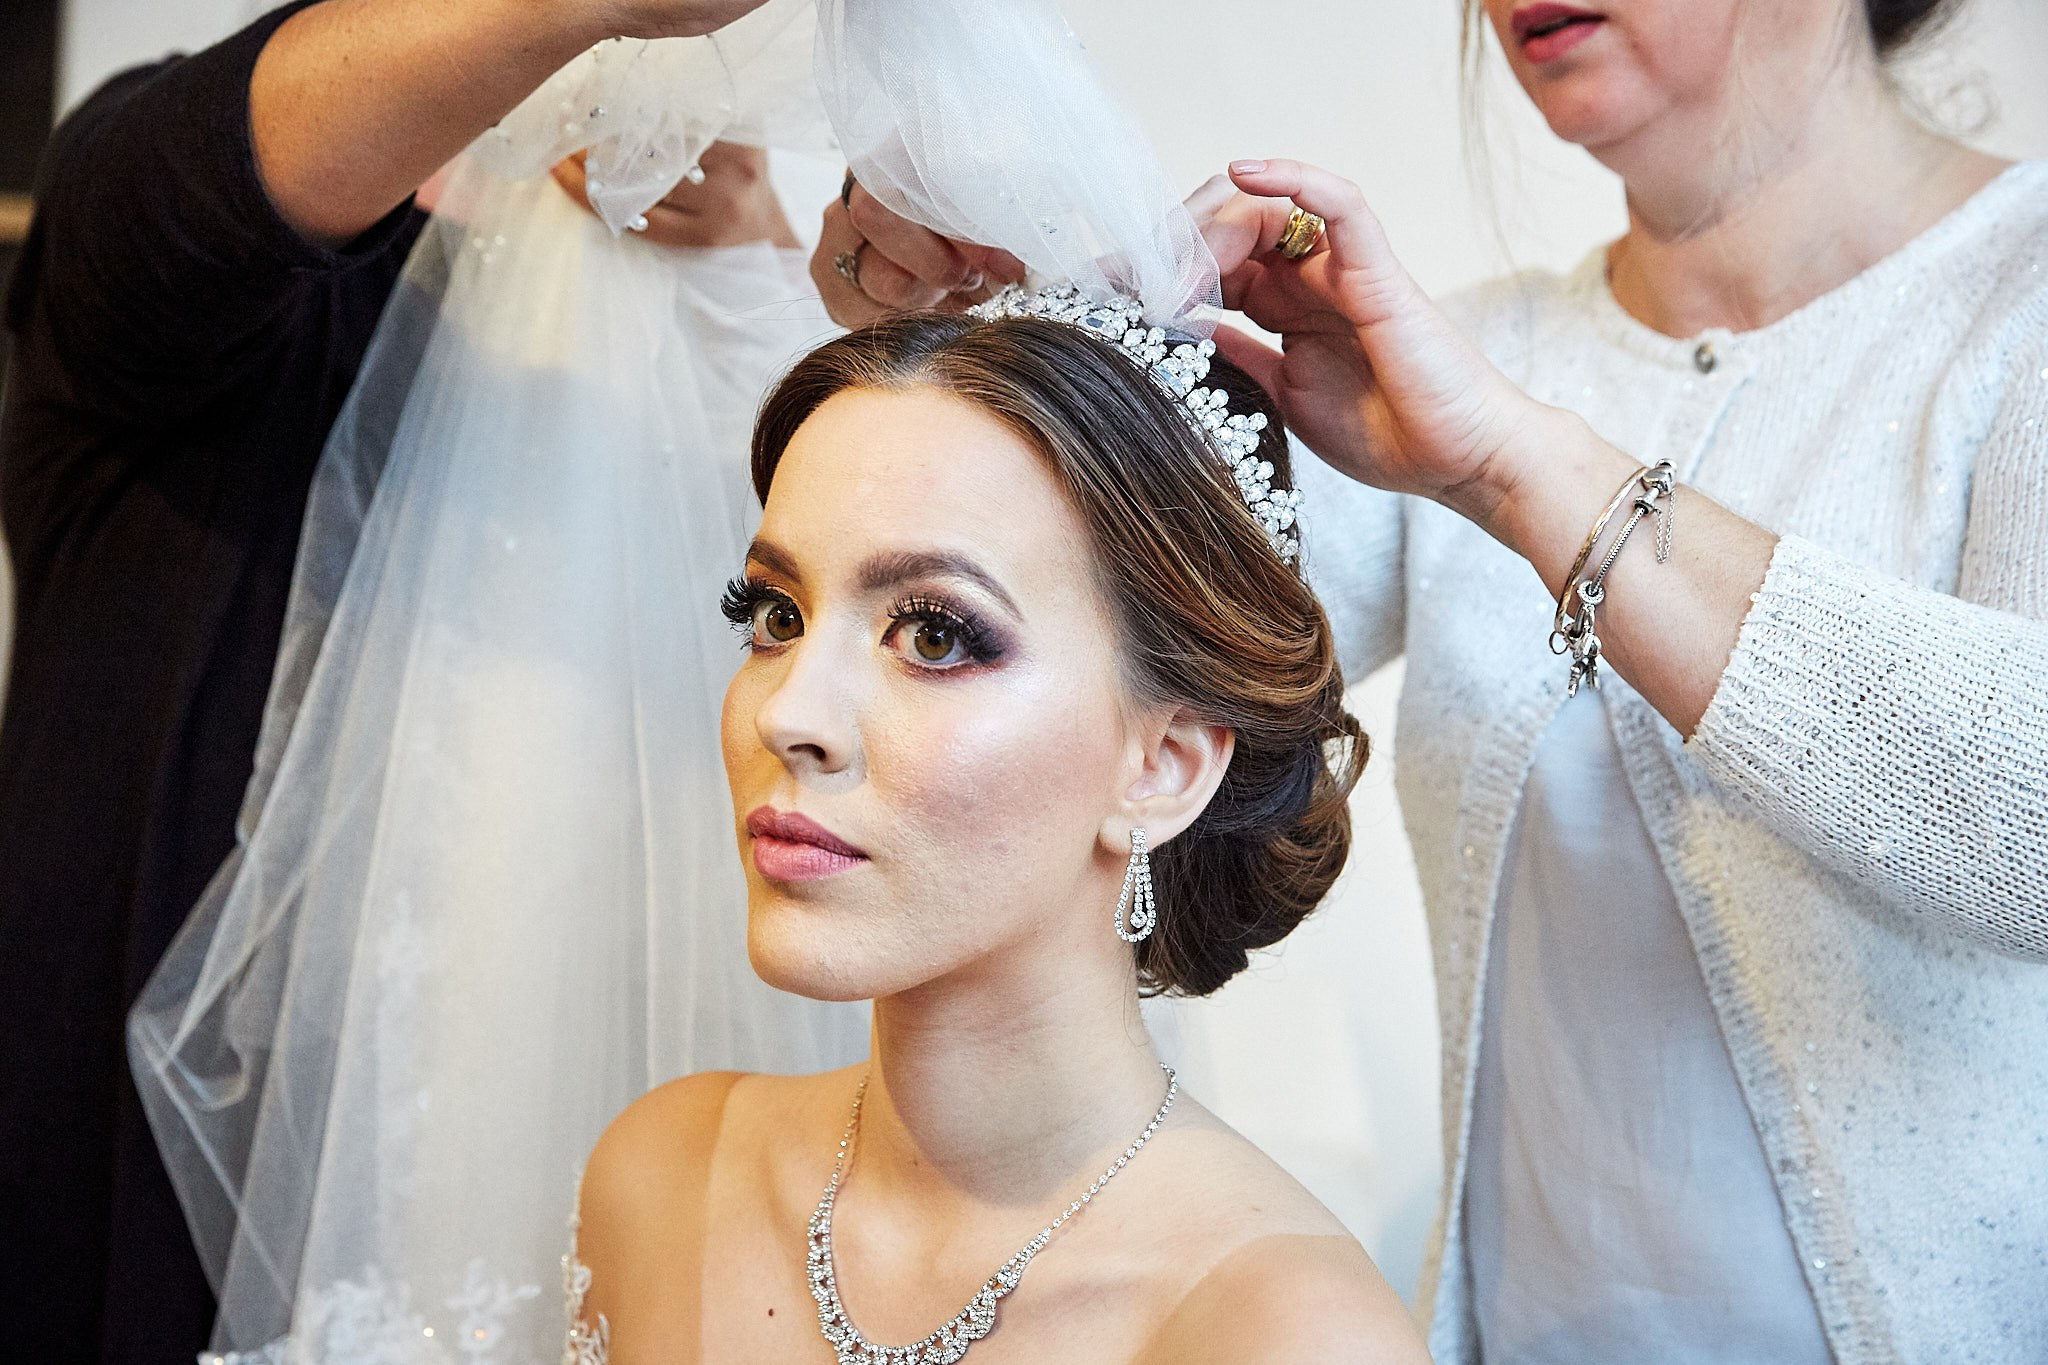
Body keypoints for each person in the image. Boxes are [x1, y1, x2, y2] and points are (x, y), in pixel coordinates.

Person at [819, 0, 2048, 1359]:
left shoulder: (2016, 298)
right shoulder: (1449, 355)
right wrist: (975, 371)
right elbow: (1117, 683)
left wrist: (1520, 469)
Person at [0, 0, 788, 1355]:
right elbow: (195, 194)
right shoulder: (139, 181)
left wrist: (756, 266)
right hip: (132, 1224)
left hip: (558, 1171)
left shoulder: (682, 278)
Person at [565, 298, 1432, 1363]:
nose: (788, 714)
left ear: (1162, 766)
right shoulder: (662, 1181)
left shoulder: (1288, 1336)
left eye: (933, 634)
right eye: (777, 616)